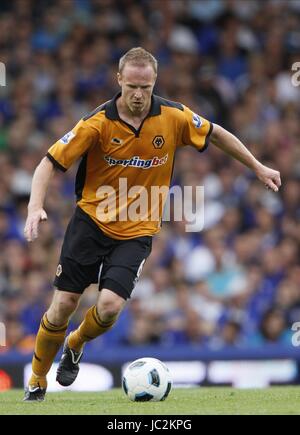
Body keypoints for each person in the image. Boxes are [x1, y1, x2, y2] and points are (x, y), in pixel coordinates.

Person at [23, 47, 281, 401]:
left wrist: (257, 166)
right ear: (119, 81)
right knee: (64, 304)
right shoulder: (97, 123)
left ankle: (75, 342)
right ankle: (37, 379)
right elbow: (47, 162)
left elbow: (217, 133)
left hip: (138, 229)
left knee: (111, 307)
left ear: (154, 81)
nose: (138, 94)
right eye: (132, 86)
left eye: (145, 87)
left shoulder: (173, 117)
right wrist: (35, 206)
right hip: (91, 222)